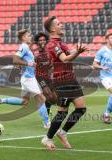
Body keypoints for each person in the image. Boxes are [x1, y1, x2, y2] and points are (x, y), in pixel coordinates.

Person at [41, 16, 88, 150]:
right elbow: (65, 59)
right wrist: (77, 52)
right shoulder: (52, 44)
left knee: (81, 108)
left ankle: (62, 132)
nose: (62, 25)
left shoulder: (60, 43)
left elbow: (67, 54)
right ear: (53, 29)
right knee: (62, 112)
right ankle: (48, 138)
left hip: (70, 79)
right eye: (59, 24)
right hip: (62, 81)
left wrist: (78, 50)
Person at [0, 29, 50, 128]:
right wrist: (27, 63)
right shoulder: (24, 46)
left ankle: (1, 101)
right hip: (28, 78)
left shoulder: (26, 47)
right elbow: (15, 59)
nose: (30, 37)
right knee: (41, 99)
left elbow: (18, 62)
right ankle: (47, 124)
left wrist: (22, 64)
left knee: (24, 101)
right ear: (23, 38)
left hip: (26, 78)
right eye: (28, 35)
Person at [33, 32, 57, 115]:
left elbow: (51, 65)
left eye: (44, 40)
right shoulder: (35, 53)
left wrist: (52, 73)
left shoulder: (49, 52)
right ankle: (45, 114)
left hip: (48, 77)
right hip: (39, 77)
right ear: (37, 42)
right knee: (48, 94)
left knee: (54, 99)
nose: (42, 41)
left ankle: (47, 109)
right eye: (40, 40)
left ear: (46, 41)